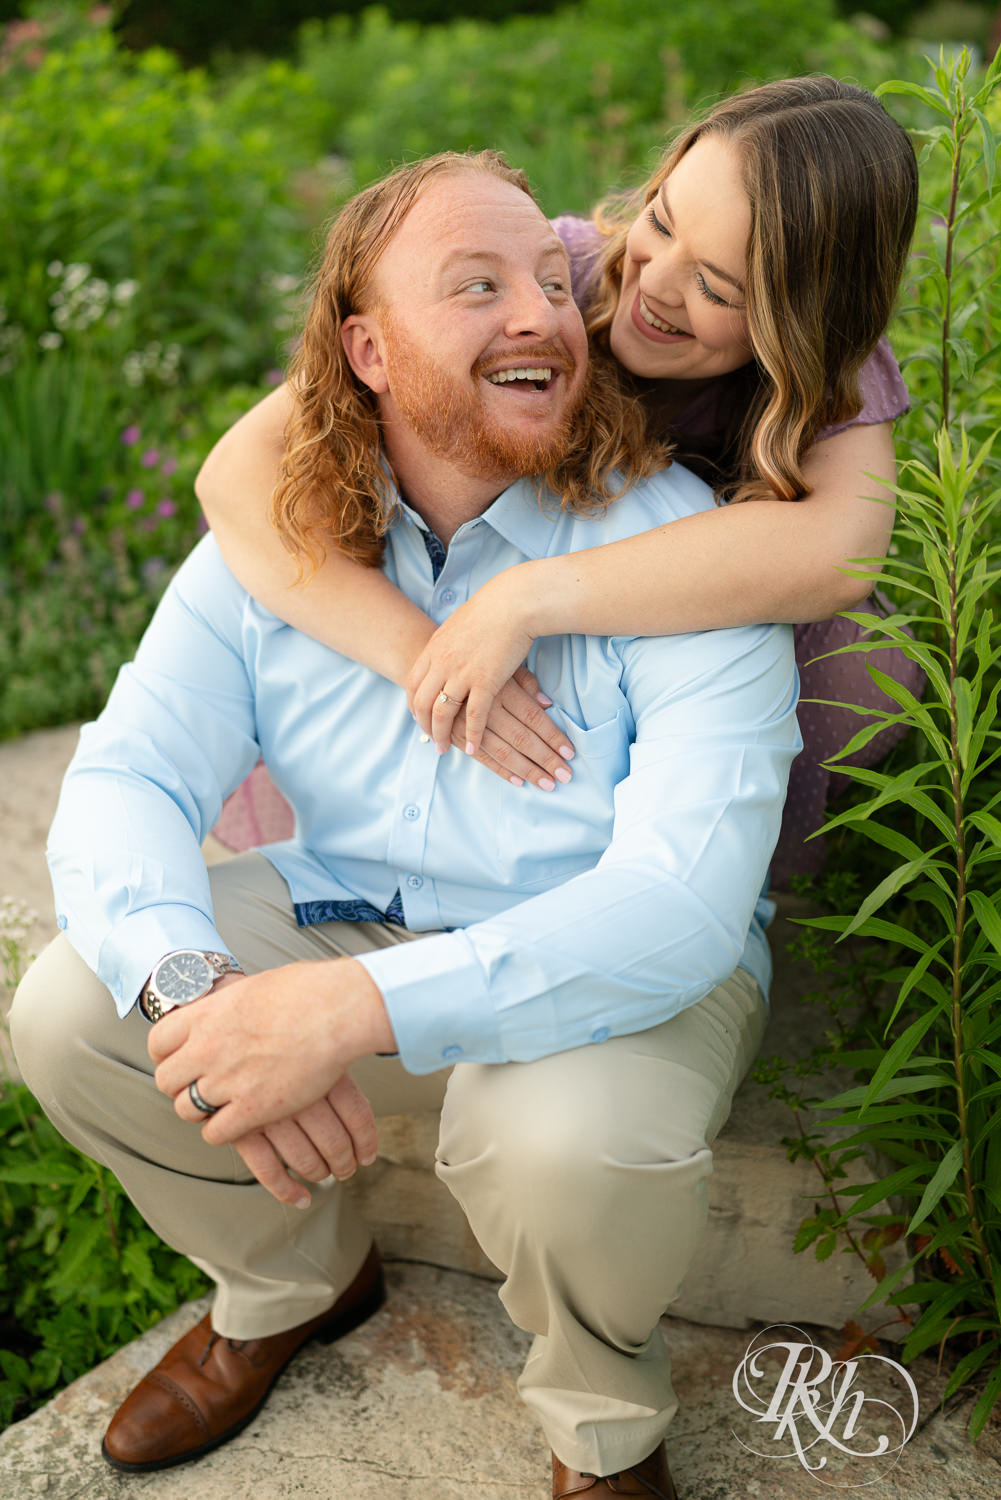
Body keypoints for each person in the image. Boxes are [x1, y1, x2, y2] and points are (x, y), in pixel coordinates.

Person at [11, 150, 799, 1498]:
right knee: (77, 1011)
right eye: (477, 285)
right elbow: (131, 774)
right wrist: (198, 990)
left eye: (552, 283)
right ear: (368, 348)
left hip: (619, 961)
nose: (544, 315)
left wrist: (343, 1013)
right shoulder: (279, 543)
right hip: (351, 906)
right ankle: (291, 1284)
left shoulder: (674, 550)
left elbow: (677, 904)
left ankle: (602, 1425)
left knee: (561, 1143)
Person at [196, 76, 919, 887]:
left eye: (715, 286)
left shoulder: (830, 378)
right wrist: (427, 654)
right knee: (313, 510)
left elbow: (839, 552)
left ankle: (669, 875)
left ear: (808, 320)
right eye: (660, 221)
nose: (655, 284)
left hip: (635, 623)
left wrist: (528, 599)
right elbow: (236, 473)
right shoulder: (552, 280)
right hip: (442, 586)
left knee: (860, 668)